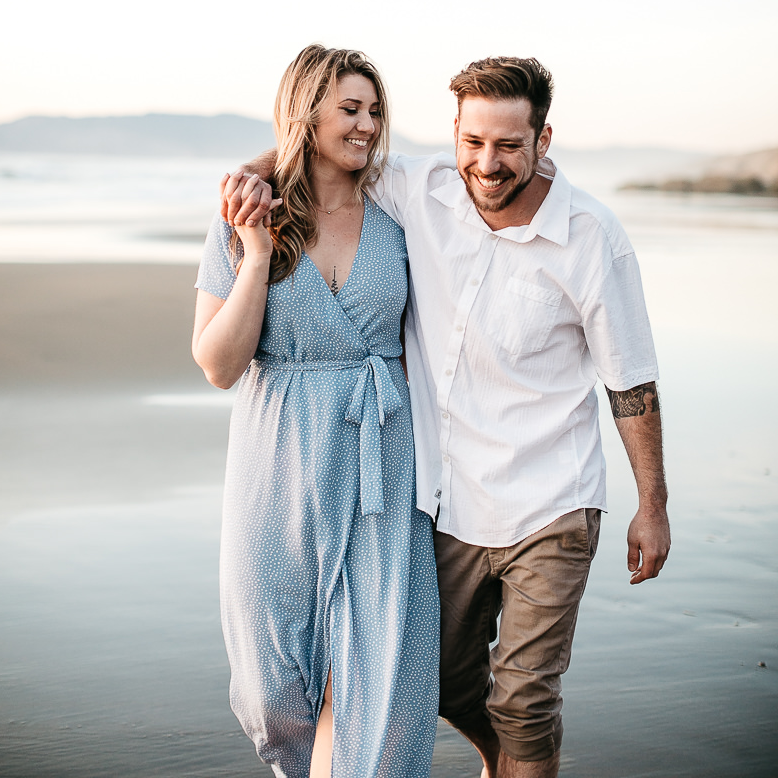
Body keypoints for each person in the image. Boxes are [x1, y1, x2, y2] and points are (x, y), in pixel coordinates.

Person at [223, 54, 671, 778]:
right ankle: (497, 753)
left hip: (553, 499)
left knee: (525, 699)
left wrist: (652, 501)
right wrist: (251, 174)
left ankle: (518, 753)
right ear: (454, 134)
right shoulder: (420, 188)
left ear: (543, 140)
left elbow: (632, 383)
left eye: (508, 146)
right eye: (473, 143)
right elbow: (327, 154)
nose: (487, 164)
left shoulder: (592, 236)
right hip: (449, 498)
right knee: (438, 682)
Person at [193, 44, 439, 778]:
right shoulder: (243, 217)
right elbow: (218, 364)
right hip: (279, 464)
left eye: (374, 111)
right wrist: (259, 253)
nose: (367, 125)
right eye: (349, 109)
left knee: (378, 676)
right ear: (308, 113)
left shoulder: (399, 214)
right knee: (272, 688)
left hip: (383, 473)